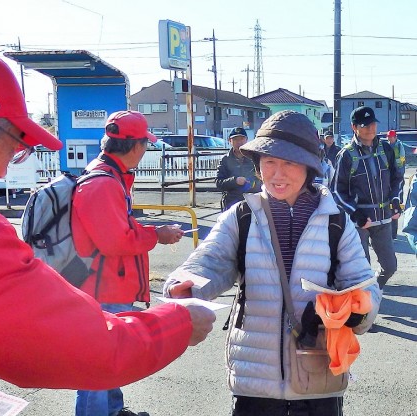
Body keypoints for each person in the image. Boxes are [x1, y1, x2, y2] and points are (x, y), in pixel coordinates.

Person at [0, 41, 216, 415]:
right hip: (104, 286)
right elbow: (92, 350)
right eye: (16, 147)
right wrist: (180, 321)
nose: (6, 168)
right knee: (96, 387)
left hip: (104, 284)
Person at [163, 110, 381, 416]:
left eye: (289, 163)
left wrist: (359, 311)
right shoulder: (241, 216)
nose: (278, 174)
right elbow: (208, 263)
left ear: (309, 167)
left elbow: (362, 282)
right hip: (255, 378)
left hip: (318, 373)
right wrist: (183, 287)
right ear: (258, 165)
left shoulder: (336, 221)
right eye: (269, 162)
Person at [71, 110, 188, 416]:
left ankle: (113, 409)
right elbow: (114, 241)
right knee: (99, 365)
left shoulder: (109, 176)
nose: (145, 149)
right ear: (136, 146)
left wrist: (152, 232)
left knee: (111, 360)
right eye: (145, 144)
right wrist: (156, 235)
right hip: (104, 287)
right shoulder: (104, 182)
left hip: (106, 283)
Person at [331, 107, 404, 290]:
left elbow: (397, 178)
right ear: (354, 127)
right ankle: (365, 300)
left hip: (384, 220)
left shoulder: (386, 149)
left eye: (373, 124)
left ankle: (374, 290)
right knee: (362, 270)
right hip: (360, 224)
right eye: (365, 125)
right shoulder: (346, 155)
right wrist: (355, 214)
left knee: (390, 266)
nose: (371, 128)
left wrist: (395, 199)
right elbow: (337, 191)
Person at [215, 126, 261, 211]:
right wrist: (235, 181)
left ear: (246, 140)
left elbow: (262, 179)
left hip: (252, 201)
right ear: (230, 141)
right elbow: (219, 183)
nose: (239, 142)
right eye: (235, 139)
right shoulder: (225, 159)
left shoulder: (254, 158)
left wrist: (253, 183)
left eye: (241, 139)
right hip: (231, 201)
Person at [386, 129, 406, 239]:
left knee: (396, 203)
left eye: (391, 137)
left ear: (395, 137)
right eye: (388, 137)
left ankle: (393, 234)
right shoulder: (387, 146)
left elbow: (401, 160)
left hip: (397, 175)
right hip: (388, 176)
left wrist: (398, 169)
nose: (390, 138)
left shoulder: (399, 146)